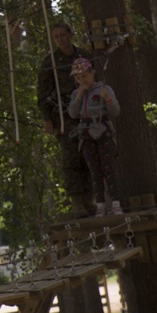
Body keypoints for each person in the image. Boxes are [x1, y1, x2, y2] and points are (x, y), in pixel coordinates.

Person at [37, 22, 95, 216]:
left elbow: (96, 81)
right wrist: (47, 118)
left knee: (89, 154)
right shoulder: (50, 61)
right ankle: (77, 201)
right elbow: (43, 92)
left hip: (87, 112)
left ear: (71, 34)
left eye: (63, 35)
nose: (61, 39)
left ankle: (90, 199)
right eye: (56, 37)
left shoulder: (84, 56)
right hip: (64, 116)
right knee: (71, 158)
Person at [68, 57, 122, 216]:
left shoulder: (104, 89)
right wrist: (79, 96)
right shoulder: (76, 94)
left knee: (109, 168)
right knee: (95, 171)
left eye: (84, 76)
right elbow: (72, 113)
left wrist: (108, 100)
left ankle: (116, 203)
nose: (81, 80)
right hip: (86, 133)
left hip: (103, 131)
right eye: (78, 78)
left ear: (92, 74)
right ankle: (100, 205)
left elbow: (115, 111)